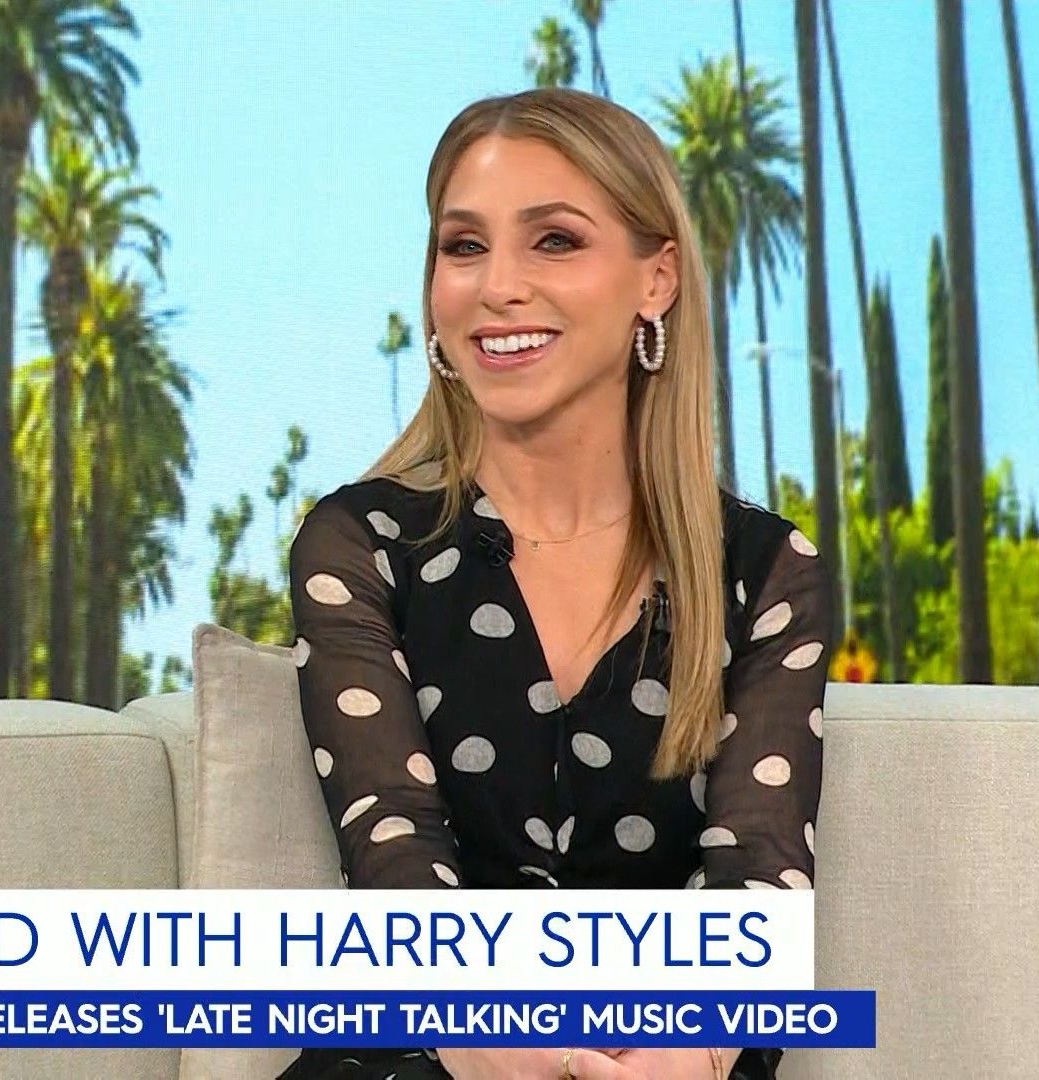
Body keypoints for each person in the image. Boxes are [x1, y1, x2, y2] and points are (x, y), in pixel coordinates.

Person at [282, 87, 832, 1080]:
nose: (497, 286)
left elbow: (759, 874)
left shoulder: (765, 570)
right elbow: (395, 850)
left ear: (657, 278)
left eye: (555, 241)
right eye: (464, 246)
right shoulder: (361, 543)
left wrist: (693, 1050)